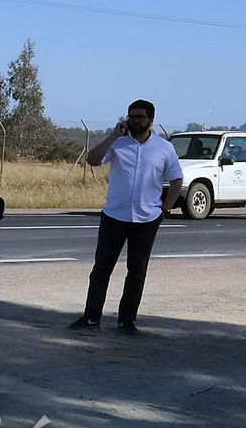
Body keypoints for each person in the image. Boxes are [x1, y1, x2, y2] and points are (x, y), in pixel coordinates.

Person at [69, 99, 184, 335]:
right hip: (115, 215)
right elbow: (92, 160)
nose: (135, 121)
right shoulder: (118, 144)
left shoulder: (164, 148)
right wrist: (112, 136)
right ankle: (91, 316)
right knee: (102, 268)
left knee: (137, 270)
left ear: (151, 119)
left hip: (147, 218)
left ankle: (127, 320)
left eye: (140, 117)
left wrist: (166, 208)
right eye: (131, 116)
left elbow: (176, 179)